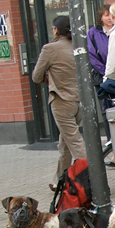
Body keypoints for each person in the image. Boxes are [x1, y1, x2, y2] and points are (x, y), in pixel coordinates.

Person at [32, 16, 87, 184]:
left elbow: (36, 76)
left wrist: (48, 80)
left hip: (62, 101)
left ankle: (93, 181)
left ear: (55, 30)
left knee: (76, 144)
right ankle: (60, 181)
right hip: (79, 101)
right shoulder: (79, 46)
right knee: (65, 144)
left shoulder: (50, 49)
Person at [87, 4, 112, 83]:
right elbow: (91, 55)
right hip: (101, 75)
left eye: (111, 15)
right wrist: (104, 71)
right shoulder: (93, 32)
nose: (110, 18)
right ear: (101, 17)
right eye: (106, 15)